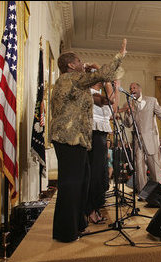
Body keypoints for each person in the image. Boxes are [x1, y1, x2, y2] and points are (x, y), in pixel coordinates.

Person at [49, 39, 127, 242]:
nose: (83, 63)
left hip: (79, 139)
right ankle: (65, 232)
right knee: (71, 184)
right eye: (79, 61)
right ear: (71, 65)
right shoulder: (69, 79)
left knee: (81, 182)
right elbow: (102, 74)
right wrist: (119, 55)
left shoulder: (77, 86)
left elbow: (106, 100)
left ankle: (78, 223)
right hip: (68, 138)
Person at [86, 80, 119, 225]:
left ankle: (95, 207)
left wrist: (116, 88)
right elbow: (111, 101)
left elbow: (114, 109)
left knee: (101, 174)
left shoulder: (99, 95)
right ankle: (90, 210)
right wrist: (109, 84)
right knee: (95, 174)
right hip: (93, 135)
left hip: (101, 135)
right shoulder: (90, 93)